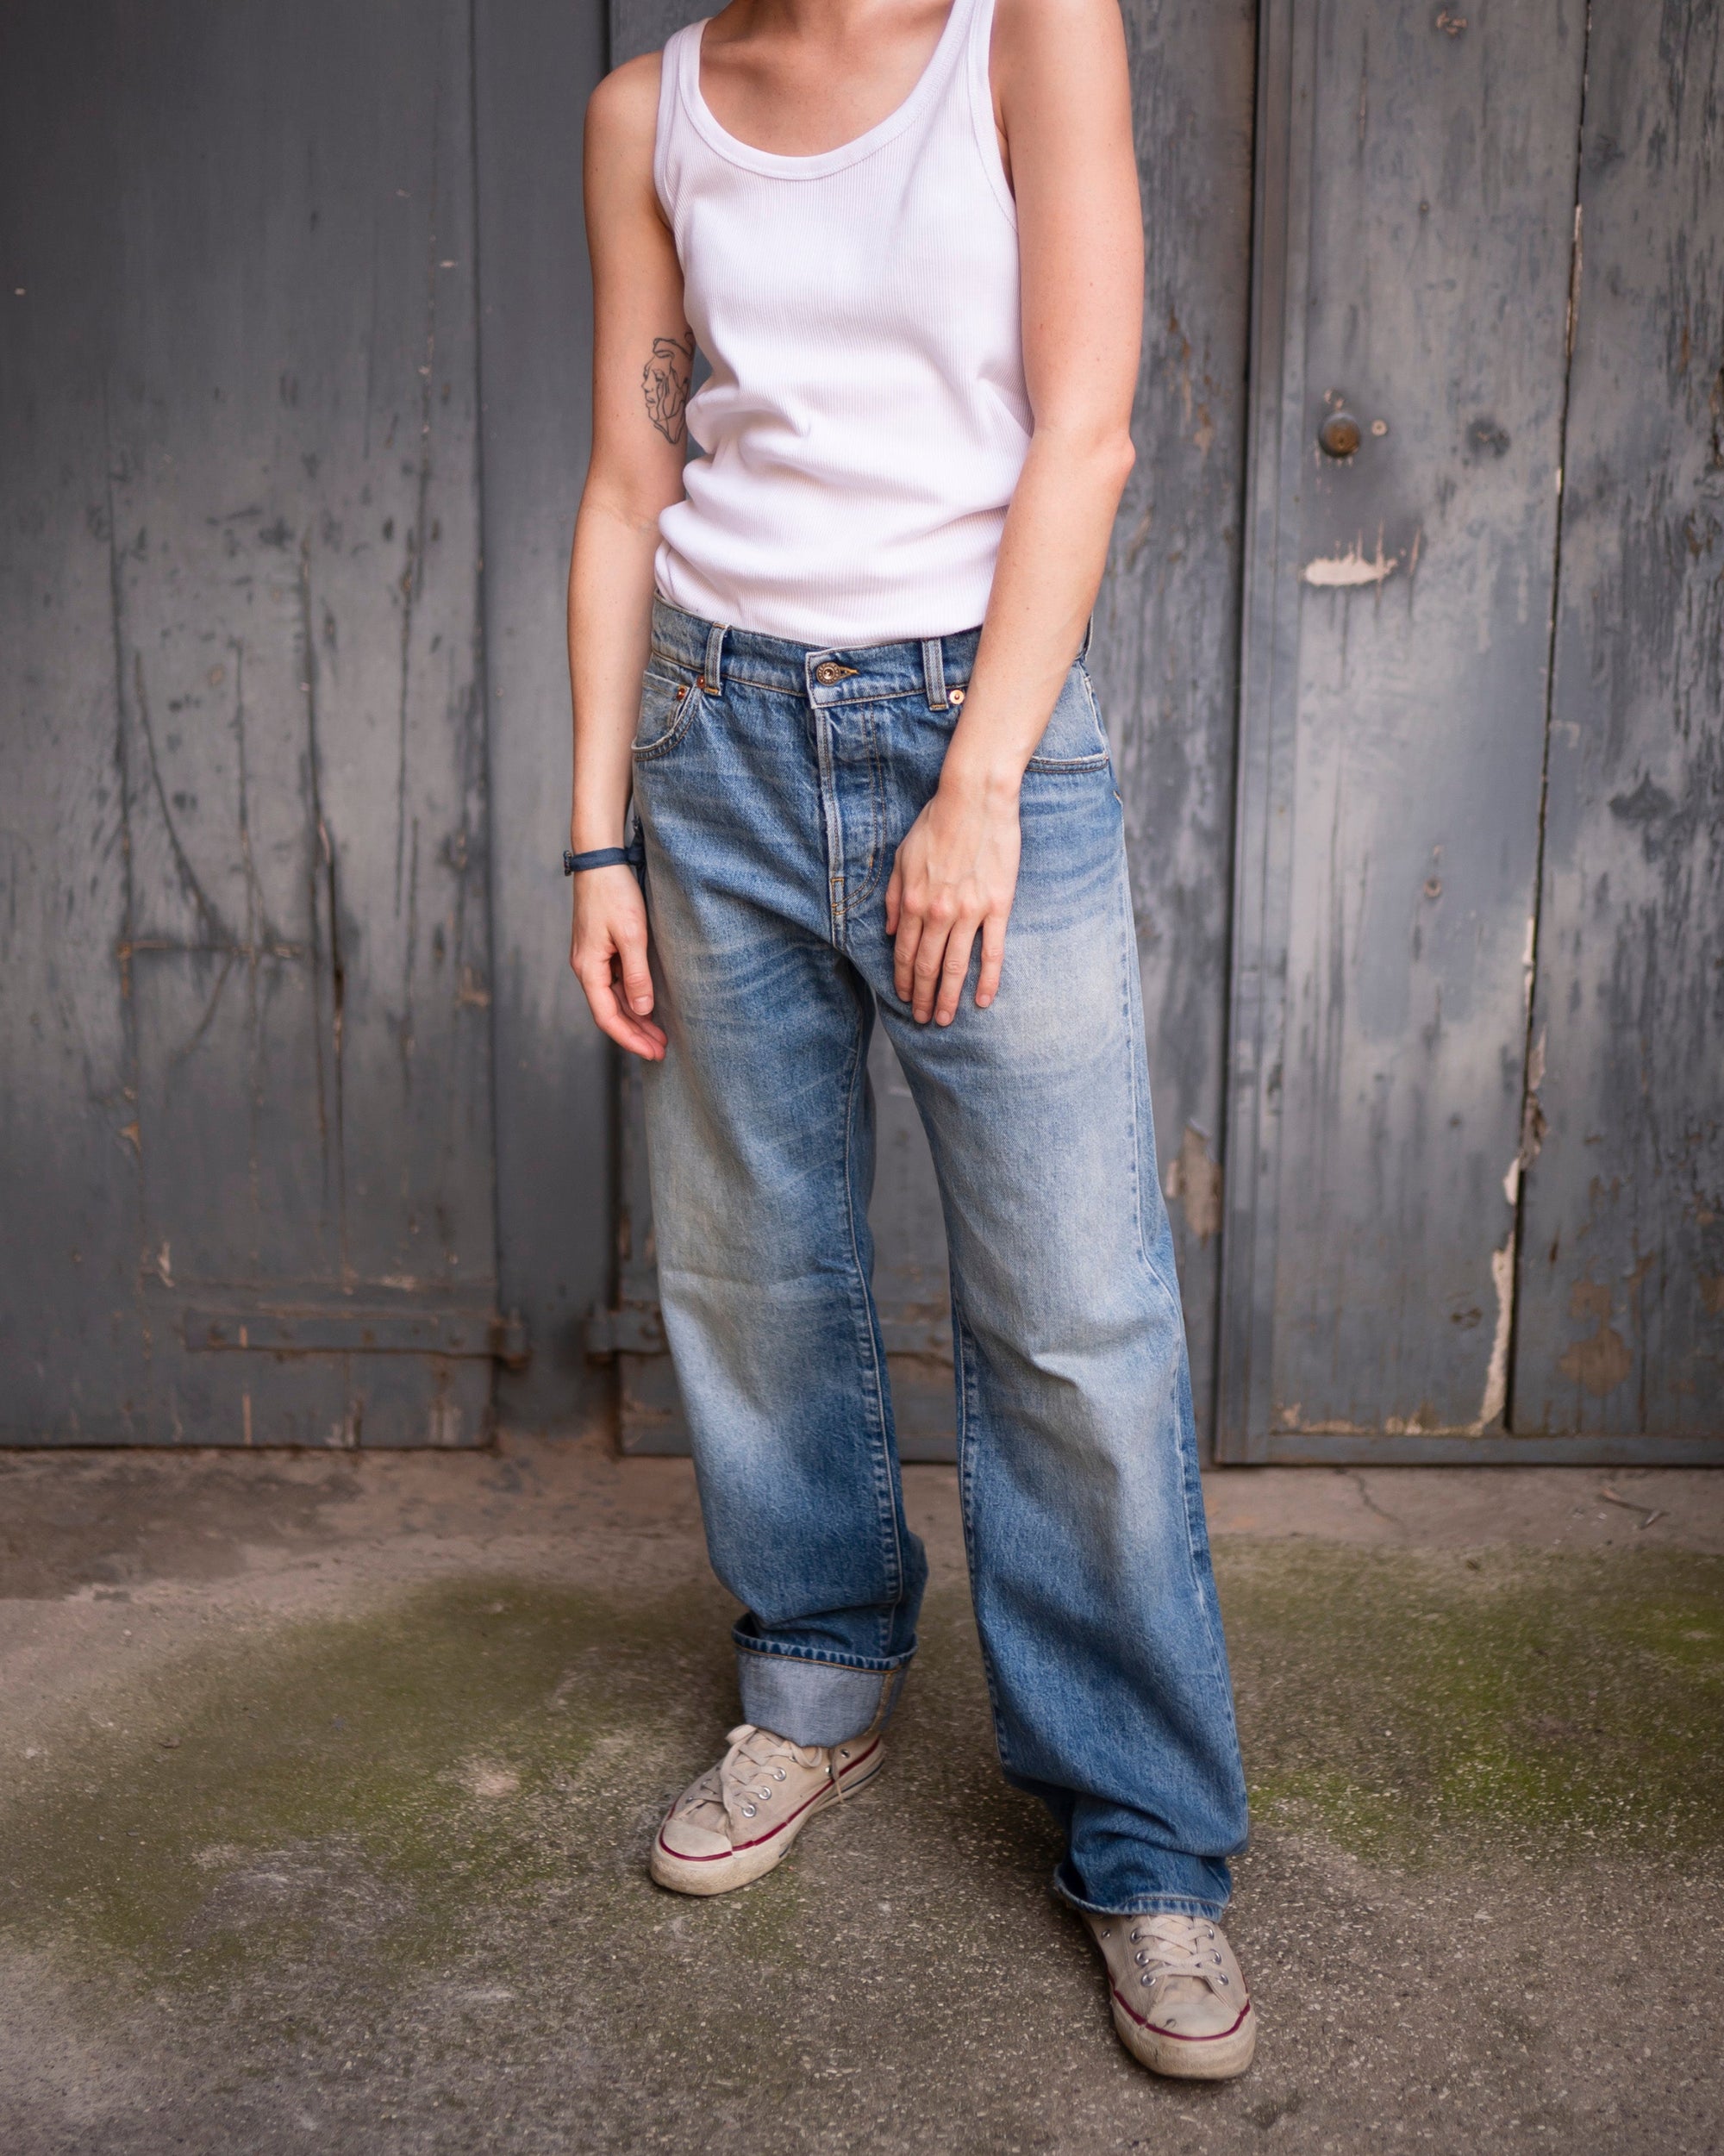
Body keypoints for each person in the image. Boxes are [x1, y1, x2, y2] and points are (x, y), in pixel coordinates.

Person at [566, 0, 1254, 2081]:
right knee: (750, 1271)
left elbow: (1088, 428)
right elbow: (627, 477)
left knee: (1071, 1318)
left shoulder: (1029, 31)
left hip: (980, 729)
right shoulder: (645, 108)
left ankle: (1144, 1842)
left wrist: (975, 783)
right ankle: (815, 1675)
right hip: (707, 736)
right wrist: (595, 830)